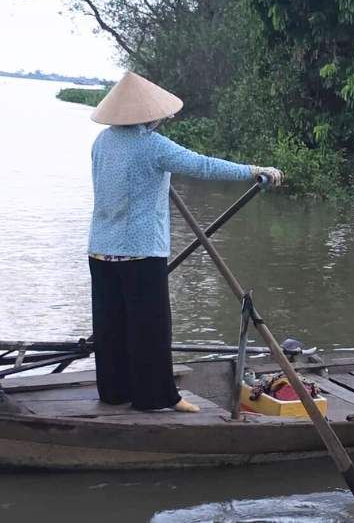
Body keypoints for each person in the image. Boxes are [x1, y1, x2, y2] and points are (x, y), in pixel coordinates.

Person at [88, 71, 282, 412]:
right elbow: (202, 166)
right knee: (150, 328)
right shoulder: (152, 145)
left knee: (111, 326)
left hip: (101, 249)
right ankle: (155, 398)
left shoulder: (102, 141)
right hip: (139, 252)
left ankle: (114, 392)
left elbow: (119, 184)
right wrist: (252, 170)